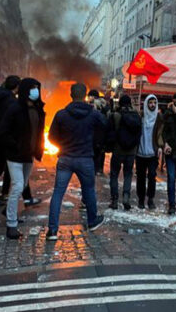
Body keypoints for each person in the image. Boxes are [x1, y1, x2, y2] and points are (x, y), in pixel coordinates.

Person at [47, 83, 107, 240]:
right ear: (85, 95)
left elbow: (51, 137)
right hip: (85, 158)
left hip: (65, 158)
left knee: (58, 193)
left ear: (70, 94)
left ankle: (52, 230)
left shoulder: (61, 114)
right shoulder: (93, 114)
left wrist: (63, 145)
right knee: (88, 190)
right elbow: (106, 125)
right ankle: (92, 221)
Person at [0, 78, 45, 239]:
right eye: (32, 88)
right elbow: (3, 131)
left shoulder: (38, 109)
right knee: (17, 186)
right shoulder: (15, 108)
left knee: (22, 185)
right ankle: (11, 224)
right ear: (25, 90)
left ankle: (8, 209)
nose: (35, 91)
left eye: (37, 88)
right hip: (15, 155)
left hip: (28, 155)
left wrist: (38, 149)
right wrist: (15, 145)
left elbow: (39, 132)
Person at [0, 76, 39, 207]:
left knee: (3, 169)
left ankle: (10, 195)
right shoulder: (12, 102)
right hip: (5, 140)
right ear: (16, 87)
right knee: (1, 170)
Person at [108, 95, 142, 210]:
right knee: (128, 174)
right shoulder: (137, 115)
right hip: (131, 152)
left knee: (114, 175)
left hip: (118, 150)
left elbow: (111, 132)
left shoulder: (116, 115)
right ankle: (126, 197)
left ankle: (114, 199)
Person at [136, 94, 164, 209]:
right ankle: (141, 199)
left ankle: (151, 199)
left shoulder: (159, 118)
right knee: (140, 177)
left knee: (152, 176)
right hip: (140, 153)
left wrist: (161, 146)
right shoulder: (141, 116)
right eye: (150, 102)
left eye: (154, 103)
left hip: (153, 154)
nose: (152, 105)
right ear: (146, 103)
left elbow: (161, 134)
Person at [87, 89, 108, 175]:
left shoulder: (93, 106)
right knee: (100, 152)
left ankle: (95, 169)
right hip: (102, 135)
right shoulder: (105, 106)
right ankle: (99, 169)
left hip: (95, 133)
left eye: (89, 96)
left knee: (95, 152)